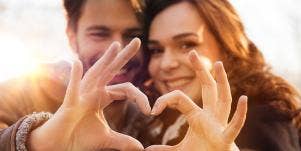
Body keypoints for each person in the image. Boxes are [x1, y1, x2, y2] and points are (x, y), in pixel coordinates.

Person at [129, 0, 301, 150]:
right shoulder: (154, 123)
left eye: (187, 45)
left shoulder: (260, 117)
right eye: (157, 50)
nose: (166, 64)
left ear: (226, 47)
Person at [0, 0, 150, 150]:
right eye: (99, 34)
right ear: (72, 37)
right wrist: (36, 143)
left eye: (133, 35)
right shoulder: (17, 94)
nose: (119, 49)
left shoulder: (151, 114)